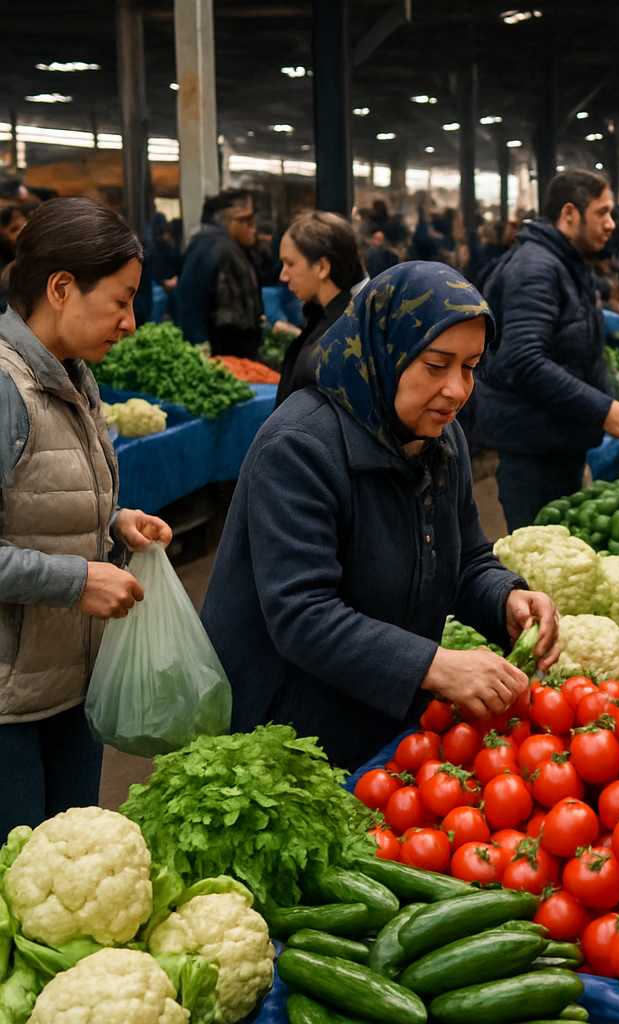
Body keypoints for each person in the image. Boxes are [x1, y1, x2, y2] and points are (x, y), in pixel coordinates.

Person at [200, 262, 559, 770]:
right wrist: (433, 665)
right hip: (288, 731)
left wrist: (506, 598)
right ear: (386, 351)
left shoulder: (439, 437)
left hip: (381, 714)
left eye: (470, 367)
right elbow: (303, 614)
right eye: (437, 365)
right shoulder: (300, 447)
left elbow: (465, 558)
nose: (457, 389)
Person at [0, 198, 175, 831]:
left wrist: (113, 524)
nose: (131, 322)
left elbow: (31, 503)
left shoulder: (72, 374)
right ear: (62, 288)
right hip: (9, 714)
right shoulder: (5, 389)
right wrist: (77, 580)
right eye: (122, 300)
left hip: (69, 692)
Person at [478, 171, 619, 530]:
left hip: (555, 440)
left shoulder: (567, 263)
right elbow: (523, 360)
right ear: (570, 214)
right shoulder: (536, 268)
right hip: (533, 447)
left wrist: (610, 398)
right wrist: (603, 409)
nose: (611, 224)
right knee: (539, 556)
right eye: (602, 212)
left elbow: (579, 351)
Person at [275, 211, 367, 405]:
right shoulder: (323, 319)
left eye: (290, 264)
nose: (283, 275)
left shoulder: (341, 340)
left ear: (322, 267)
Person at [176, 189, 263, 357]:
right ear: (231, 219)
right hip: (225, 355)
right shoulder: (222, 250)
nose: (253, 229)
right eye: (248, 221)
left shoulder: (209, 244)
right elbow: (196, 306)